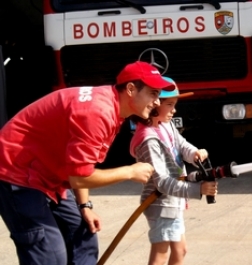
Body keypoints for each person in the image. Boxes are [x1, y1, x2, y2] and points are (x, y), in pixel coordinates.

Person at [0, 61, 175, 265]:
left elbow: (82, 164)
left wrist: (85, 206)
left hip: (47, 177)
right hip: (17, 173)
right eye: (153, 93)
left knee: (84, 235)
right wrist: (130, 172)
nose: (157, 101)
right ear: (130, 89)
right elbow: (79, 177)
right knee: (50, 254)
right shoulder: (97, 112)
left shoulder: (111, 107)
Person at [129, 77, 217, 265]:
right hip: (160, 205)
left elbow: (181, 144)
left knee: (180, 250)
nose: (174, 110)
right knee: (160, 255)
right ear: (154, 104)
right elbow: (161, 182)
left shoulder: (166, 124)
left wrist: (194, 153)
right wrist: (197, 190)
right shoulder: (148, 140)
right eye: (170, 104)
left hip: (172, 202)